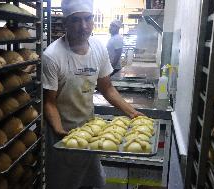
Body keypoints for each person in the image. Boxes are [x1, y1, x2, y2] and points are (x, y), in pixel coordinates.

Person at [42, 0, 144, 188]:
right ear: (65, 23)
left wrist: (132, 112)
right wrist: (58, 130)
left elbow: (107, 88)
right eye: (76, 20)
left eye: (88, 19)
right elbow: (49, 102)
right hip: (63, 134)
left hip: (90, 132)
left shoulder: (98, 48)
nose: (83, 26)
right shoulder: (52, 56)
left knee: (92, 183)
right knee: (64, 183)